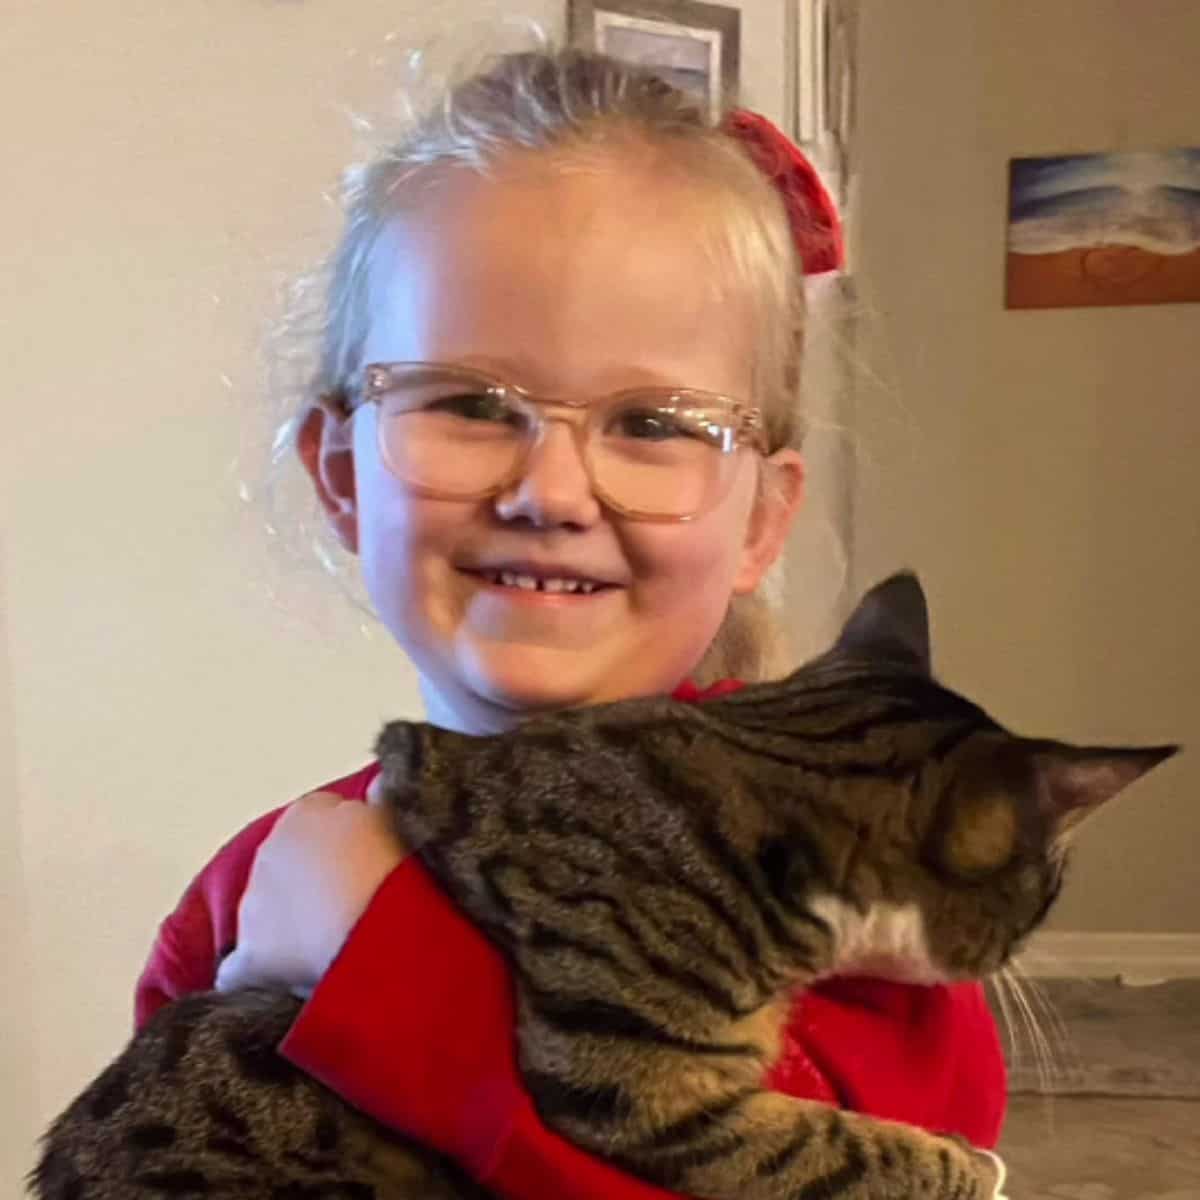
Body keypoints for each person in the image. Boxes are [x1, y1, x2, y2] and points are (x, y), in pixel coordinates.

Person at [135, 46, 1006, 1200]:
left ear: (762, 520)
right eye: (470, 404)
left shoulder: (857, 889)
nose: (551, 491)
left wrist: (381, 967)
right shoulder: (257, 882)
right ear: (342, 476)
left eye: (654, 421)